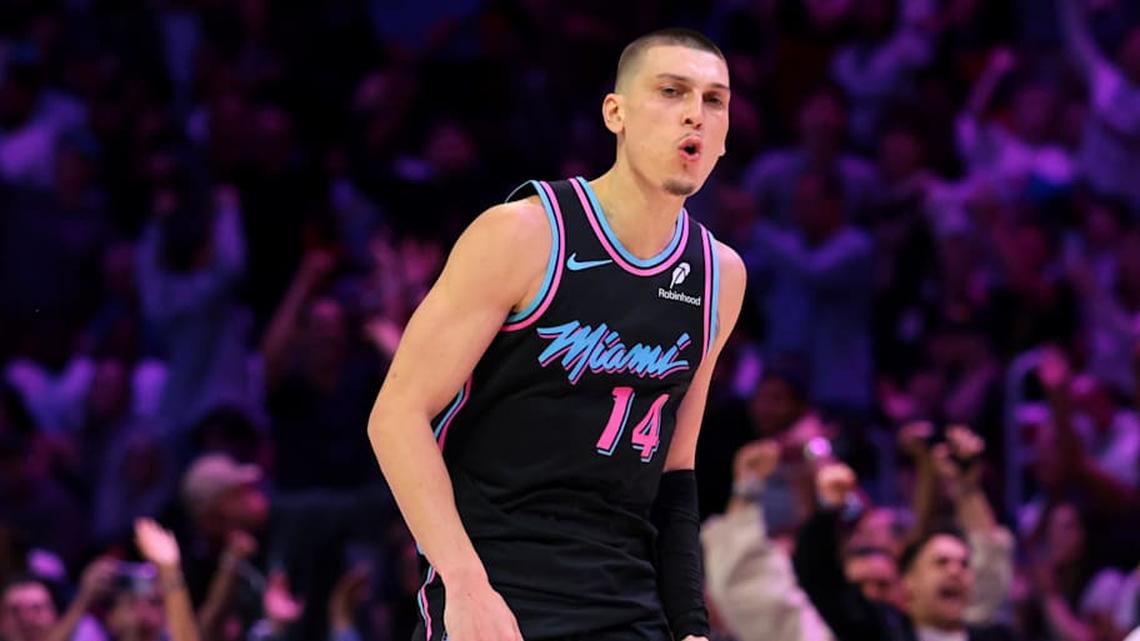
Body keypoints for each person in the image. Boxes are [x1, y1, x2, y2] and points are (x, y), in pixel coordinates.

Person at [368, 27, 746, 641]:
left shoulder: (720, 276)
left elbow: (677, 474)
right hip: (499, 585)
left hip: (629, 603)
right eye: (672, 92)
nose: (693, 116)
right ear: (615, 113)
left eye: (714, 100)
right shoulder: (525, 234)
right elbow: (396, 415)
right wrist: (464, 584)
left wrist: (691, 626)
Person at [793, 463, 1018, 641]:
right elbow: (818, 576)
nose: (955, 571)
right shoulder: (881, 633)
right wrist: (829, 508)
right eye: (941, 562)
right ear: (908, 582)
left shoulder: (997, 636)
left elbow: (992, 559)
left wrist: (968, 487)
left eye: (964, 564)